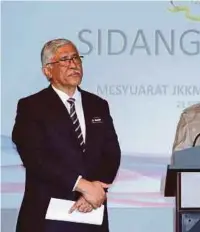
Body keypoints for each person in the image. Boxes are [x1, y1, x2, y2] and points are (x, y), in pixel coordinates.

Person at [12, 38, 121, 232]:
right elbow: (35, 158)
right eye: (65, 59)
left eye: (76, 58)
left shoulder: (98, 104)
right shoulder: (31, 107)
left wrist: (95, 191)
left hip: (91, 212)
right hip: (47, 218)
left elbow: (111, 153)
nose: (73, 64)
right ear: (47, 71)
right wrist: (81, 185)